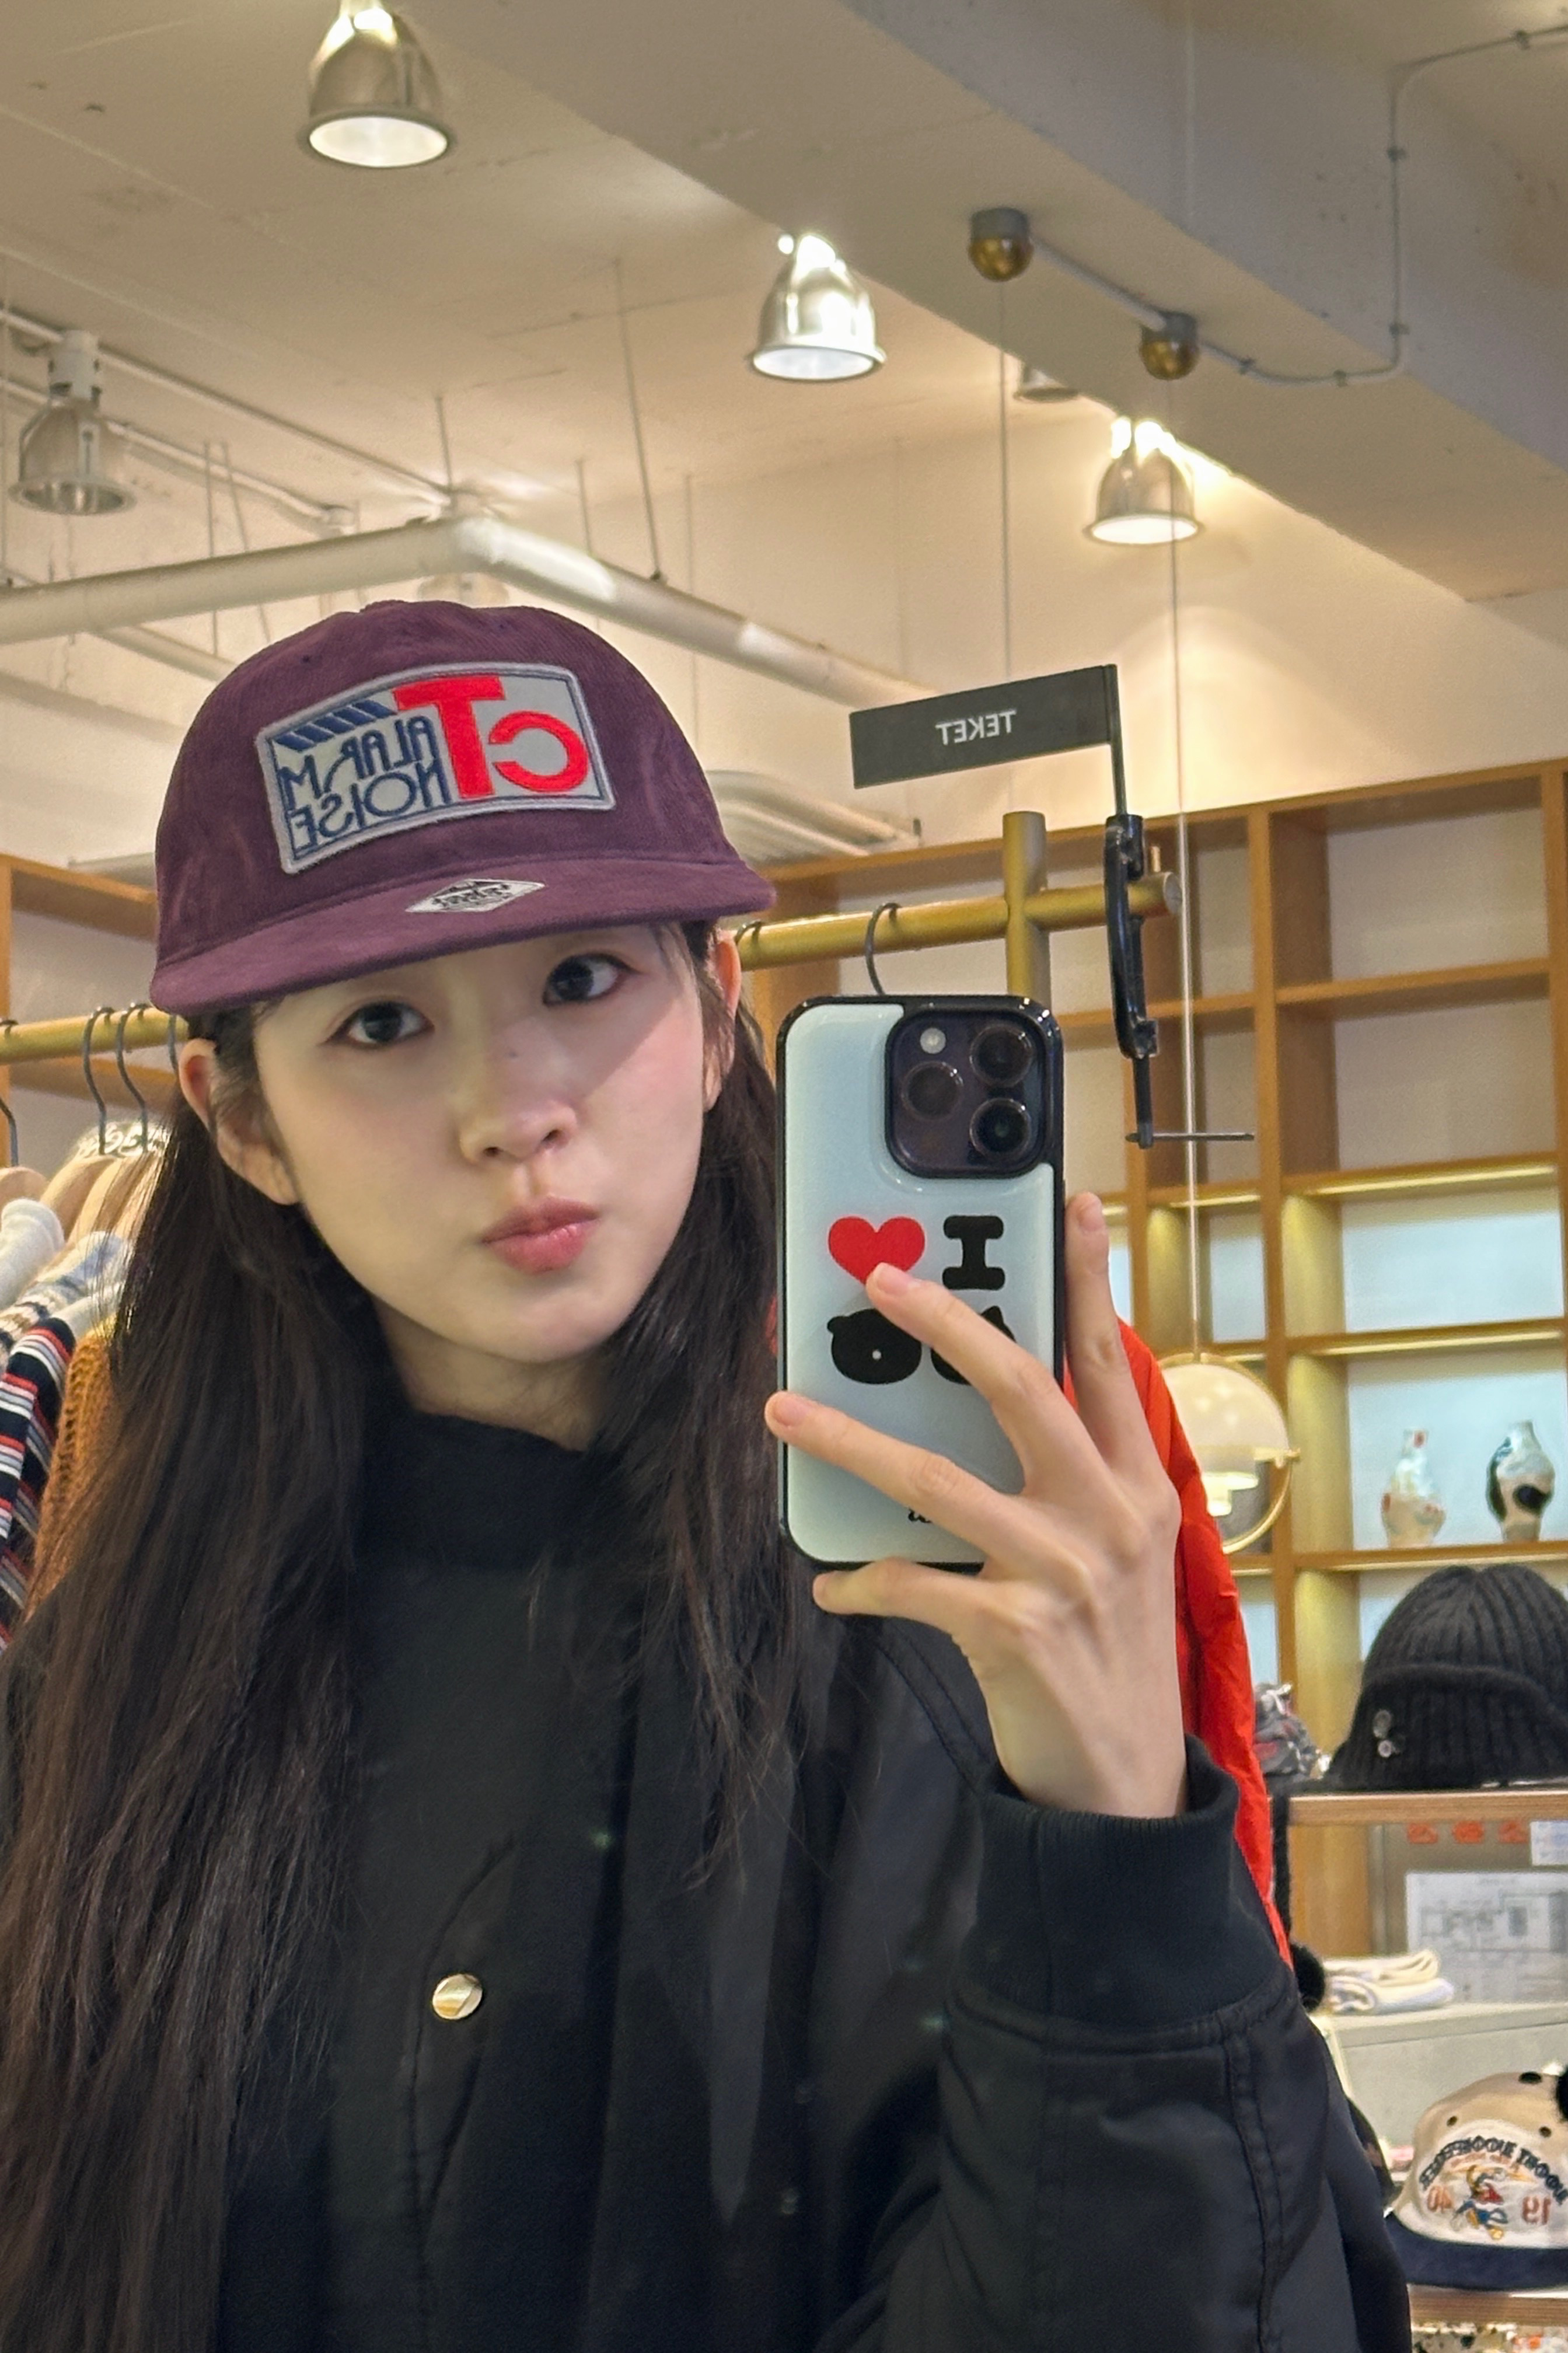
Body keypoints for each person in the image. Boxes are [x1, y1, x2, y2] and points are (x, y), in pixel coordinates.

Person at [0, 603, 1408, 2353]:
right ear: (239, 1119)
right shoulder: (110, 1700)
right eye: (381, 1023)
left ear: (720, 1003)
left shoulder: (928, 1624)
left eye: (583, 981)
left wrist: (1117, 1838)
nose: (513, 1109)